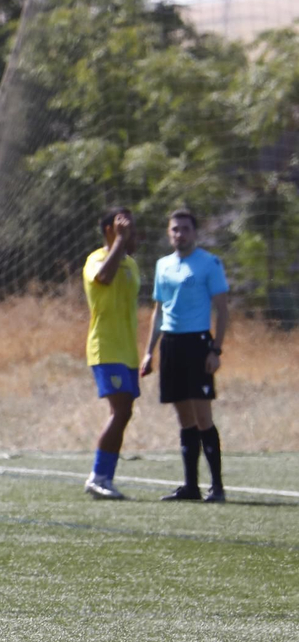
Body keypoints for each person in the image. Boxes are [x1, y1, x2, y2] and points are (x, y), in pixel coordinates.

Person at [141, 208, 231, 503]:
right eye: (175, 230)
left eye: (185, 229)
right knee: (184, 419)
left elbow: (223, 309)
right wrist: (148, 352)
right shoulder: (163, 265)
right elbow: (158, 311)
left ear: (195, 232)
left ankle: (216, 487)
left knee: (204, 417)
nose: (179, 234)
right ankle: (190, 486)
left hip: (197, 344)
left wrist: (215, 349)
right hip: (171, 345)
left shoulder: (209, 263)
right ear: (169, 234)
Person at [81, 207, 142, 501]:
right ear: (111, 230)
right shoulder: (96, 259)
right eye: (127, 228)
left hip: (127, 351)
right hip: (105, 348)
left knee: (124, 412)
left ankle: (105, 477)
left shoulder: (131, 264)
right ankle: (98, 476)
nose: (134, 235)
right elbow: (103, 277)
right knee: (120, 411)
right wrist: (119, 240)